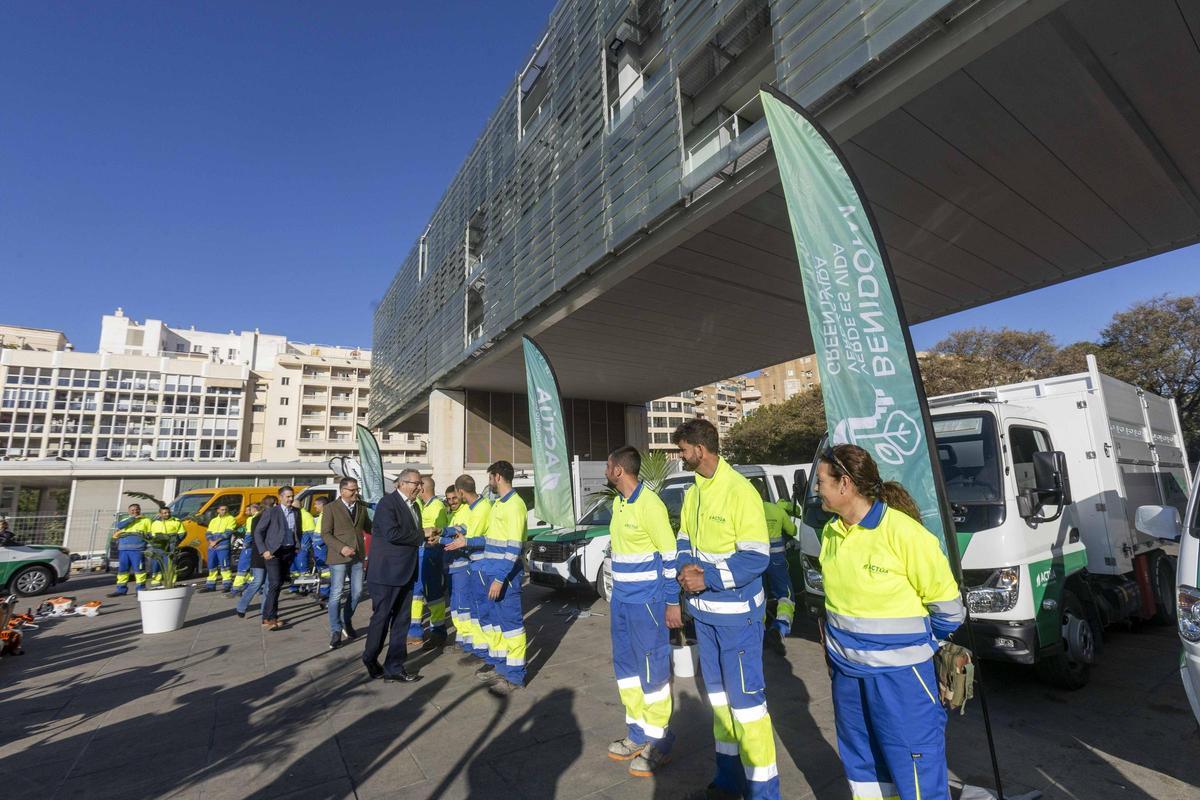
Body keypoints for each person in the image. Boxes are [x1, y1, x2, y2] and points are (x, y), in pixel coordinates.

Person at [815, 444, 964, 800]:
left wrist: (922, 645)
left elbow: (949, 611)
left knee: (916, 773)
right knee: (865, 770)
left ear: (845, 484)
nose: (817, 488)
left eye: (821, 481)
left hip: (902, 683)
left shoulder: (906, 535)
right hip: (848, 679)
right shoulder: (830, 534)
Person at [672, 419, 779, 800]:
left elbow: (757, 557)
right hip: (705, 617)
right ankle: (728, 781)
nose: (681, 456)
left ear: (700, 449)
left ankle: (764, 793)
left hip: (737, 621)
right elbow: (684, 538)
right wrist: (685, 567)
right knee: (719, 704)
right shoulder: (693, 492)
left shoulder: (740, 492)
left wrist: (708, 578)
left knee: (747, 708)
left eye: (683, 450)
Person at [604, 445, 678, 778]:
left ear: (619, 471)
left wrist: (672, 602)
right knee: (627, 671)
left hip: (647, 605)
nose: (606, 471)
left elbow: (670, 556)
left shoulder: (651, 504)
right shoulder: (619, 504)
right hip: (621, 603)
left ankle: (659, 743)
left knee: (654, 674)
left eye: (608, 466)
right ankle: (637, 735)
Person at [361, 470, 425, 683]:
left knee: (402, 621)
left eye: (420, 484)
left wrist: (425, 538)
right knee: (381, 618)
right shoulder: (388, 503)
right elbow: (392, 534)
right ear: (402, 483)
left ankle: (394, 667)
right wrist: (423, 535)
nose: (419, 488)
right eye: (416, 484)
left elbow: (411, 535)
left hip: (407, 571)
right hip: (386, 573)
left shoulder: (415, 506)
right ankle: (370, 658)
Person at [478, 460, 527, 696]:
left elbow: (513, 547)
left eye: (489, 478)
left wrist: (499, 578)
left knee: (512, 627)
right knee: (497, 625)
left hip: (505, 576)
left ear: (497, 477)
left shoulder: (514, 505)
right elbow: (491, 540)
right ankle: (501, 668)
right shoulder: (499, 504)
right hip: (494, 573)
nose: (489, 483)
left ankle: (515, 676)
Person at [438, 474, 490, 660]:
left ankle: (476, 647)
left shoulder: (475, 509)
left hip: (469, 565)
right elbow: (460, 532)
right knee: (459, 607)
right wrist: (443, 533)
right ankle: (466, 642)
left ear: (460, 492)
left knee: (469, 607)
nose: (452, 501)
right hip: (460, 565)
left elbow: (468, 538)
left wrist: (441, 538)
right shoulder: (467, 510)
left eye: (454, 497)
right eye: (448, 499)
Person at [322, 478, 370, 650]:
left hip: (357, 555)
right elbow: (325, 534)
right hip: (338, 557)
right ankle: (336, 630)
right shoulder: (330, 508)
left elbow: (370, 527)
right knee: (336, 593)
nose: (355, 492)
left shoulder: (361, 506)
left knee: (357, 592)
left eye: (356, 489)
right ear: (342, 491)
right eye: (352, 490)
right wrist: (341, 548)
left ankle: (346, 620)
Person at [408, 476, 449, 649]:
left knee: (433, 595)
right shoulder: (419, 505)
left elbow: (438, 536)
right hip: (419, 554)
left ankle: (438, 631)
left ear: (423, 489)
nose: (416, 489)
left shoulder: (437, 506)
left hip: (431, 555)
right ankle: (414, 631)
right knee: (417, 594)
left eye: (418, 486)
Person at [253, 486, 301, 630]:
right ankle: (268, 618)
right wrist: (264, 550)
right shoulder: (271, 512)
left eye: (292, 496)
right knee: (274, 584)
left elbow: (298, 530)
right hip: (273, 553)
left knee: (278, 584)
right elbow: (258, 532)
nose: (290, 499)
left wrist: (297, 546)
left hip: (288, 551)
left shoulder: (296, 512)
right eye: (287, 496)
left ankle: (270, 616)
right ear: (280, 497)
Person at [761, 497, 797, 655]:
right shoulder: (778, 510)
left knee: (758, 596)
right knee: (786, 596)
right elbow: (793, 531)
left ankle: (758, 633)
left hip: (757, 561)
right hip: (777, 561)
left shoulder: (751, 509)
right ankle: (779, 628)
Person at [236, 498, 274, 618]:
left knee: (267, 584)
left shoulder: (272, 517)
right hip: (259, 554)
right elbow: (256, 536)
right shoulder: (256, 519)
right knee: (258, 582)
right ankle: (241, 606)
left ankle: (265, 611)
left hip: (269, 554)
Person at [108, 503, 153, 596]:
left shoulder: (146, 520)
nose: (135, 511)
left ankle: (140, 589)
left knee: (139, 570)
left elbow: (150, 534)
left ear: (140, 510)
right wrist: (133, 519)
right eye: (132, 510)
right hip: (123, 549)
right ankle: (121, 590)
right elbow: (119, 526)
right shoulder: (125, 520)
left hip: (138, 549)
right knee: (122, 570)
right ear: (129, 511)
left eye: (137, 509)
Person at [200, 504, 238, 593]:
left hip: (222, 545)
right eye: (222, 509)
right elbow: (208, 532)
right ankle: (210, 586)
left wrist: (215, 541)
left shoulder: (231, 519)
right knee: (211, 566)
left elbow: (228, 533)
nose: (224, 511)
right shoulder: (213, 520)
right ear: (218, 510)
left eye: (225, 509)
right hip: (212, 545)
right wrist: (211, 541)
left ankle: (227, 585)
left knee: (225, 566)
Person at [147, 506, 185, 586]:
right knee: (157, 563)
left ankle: (171, 581)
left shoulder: (176, 521)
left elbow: (182, 533)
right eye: (164, 513)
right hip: (158, 546)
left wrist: (175, 542)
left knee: (170, 564)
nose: (167, 514)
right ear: (160, 514)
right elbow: (151, 534)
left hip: (171, 546)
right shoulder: (155, 523)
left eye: (168, 512)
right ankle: (156, 582)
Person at [230, 503, 260, 596]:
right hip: (257, 547)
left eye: (248, 510)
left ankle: (236, 589)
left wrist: (245, 545)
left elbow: (249, 534)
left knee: (242, 568)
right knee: (253, 568)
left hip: (249, 547)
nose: (247, 512)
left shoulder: (251, 519)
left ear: (253, 509)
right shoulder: (262, 517)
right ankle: (249, 585)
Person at [310, 497, 332, 605]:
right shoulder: (322, 515)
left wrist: (317, 543)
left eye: (316, 504)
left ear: (322, 505)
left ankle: (326, 594)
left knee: (325, 571)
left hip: (321, 548)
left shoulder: (326, 516)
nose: (315, 506)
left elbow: (325, 534)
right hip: (319, 547)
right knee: (322, 571)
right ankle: (323, 592)